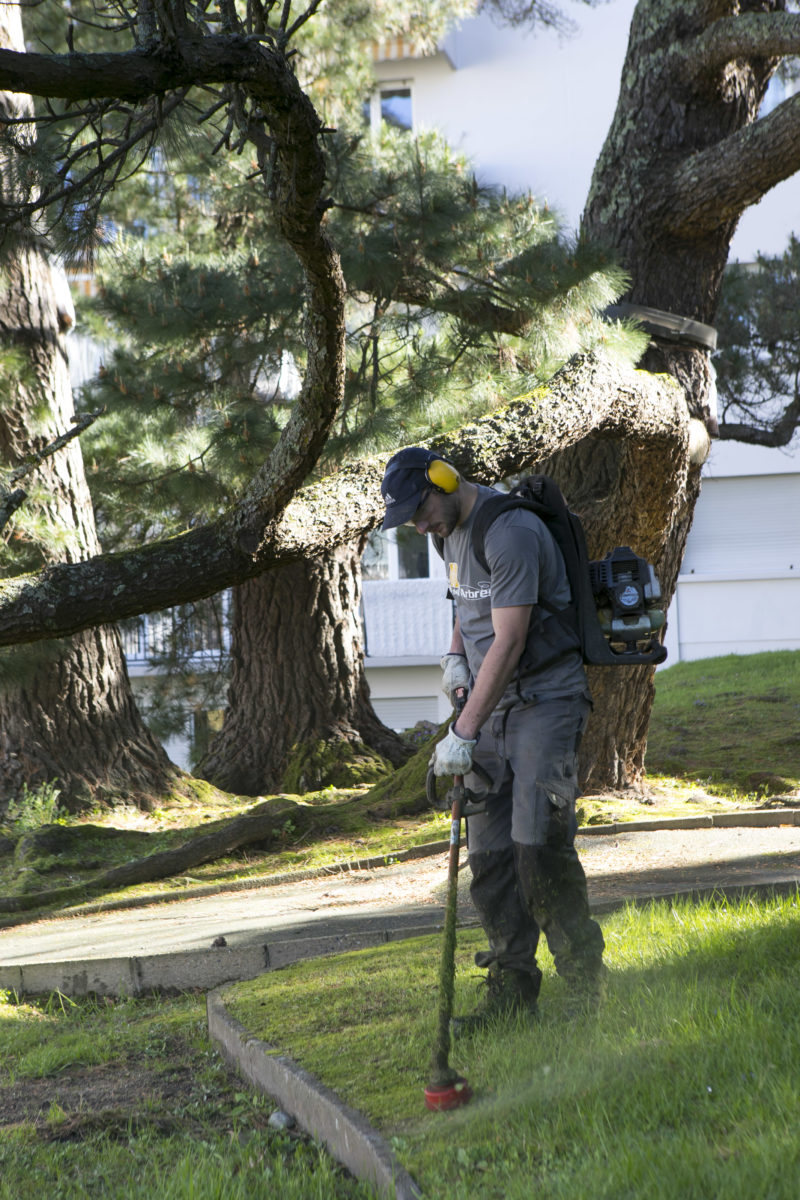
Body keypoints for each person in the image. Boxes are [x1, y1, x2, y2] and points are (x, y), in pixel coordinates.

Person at [381, 446, 605, 1031]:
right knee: (491, 858)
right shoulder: (446, 532)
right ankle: (511, 992)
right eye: (407, 518)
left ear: (444, 479)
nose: (418, 524)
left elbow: (508, 640)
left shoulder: (512, 531)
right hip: (489, 705)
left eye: (421, 509)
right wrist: (455, 655)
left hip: (543, 702)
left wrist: (461, 731)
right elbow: (464, 599)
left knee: (538, 849)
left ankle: (584, 988)